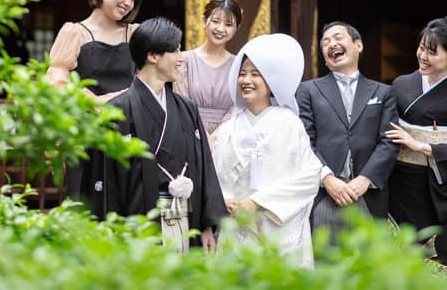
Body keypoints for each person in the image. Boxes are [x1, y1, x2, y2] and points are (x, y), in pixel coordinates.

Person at [107, 17, 226, 252]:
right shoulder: (118, 111)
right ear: (153, 56)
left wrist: (207, 226)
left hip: (185, 219)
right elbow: (109, 181)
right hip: (139, 226)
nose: (181, 58)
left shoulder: (186, 108)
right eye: (175, 50)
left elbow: (204, 168)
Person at [212, 34, 322, 267]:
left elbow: (310, 175)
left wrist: (259, 202)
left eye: (255, 73)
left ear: (271, 80)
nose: (246, 80)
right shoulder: (229, 127)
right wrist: (224, 200)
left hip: (276, 228)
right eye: (242, 73)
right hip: (236, 226)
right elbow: (214, 174)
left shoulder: (289, 123)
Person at [47, 0, 144, 219]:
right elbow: (57, 80)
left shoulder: (135, 34)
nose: (128, 2)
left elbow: (151, 76)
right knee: (86, 205)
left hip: (128, 129)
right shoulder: (75, 32)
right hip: (88, 131)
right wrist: (95, 101)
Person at [296, 21, 399, 238]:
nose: (331, 44)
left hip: (368, 193)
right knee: (325, 262)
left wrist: (365, 179)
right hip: (325, 193)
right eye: (325, 42)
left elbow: (389, 142)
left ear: (358, 45)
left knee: (369, 265)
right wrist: (327, 178)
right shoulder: (308, 90)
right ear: (323, 56)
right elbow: (303, 140)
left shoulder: (383, 92)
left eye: (337, 38)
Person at [386, 16, 447, 264]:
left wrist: (424, 146)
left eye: (431, 52)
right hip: (404, 180)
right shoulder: (402, 85)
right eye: (421, 48)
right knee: (406, 250)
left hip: (441, 180)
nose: (422, 56)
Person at [174, 0, 243, 138]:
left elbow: (238, 107)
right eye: (216, 21)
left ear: (236, 29)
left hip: (226, 138)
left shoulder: (238, 65)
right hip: (190, 136)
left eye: (228, 24)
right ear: (205, 21)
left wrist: (216, 138)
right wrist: (204, 138)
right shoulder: (184, 60)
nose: (220, 28)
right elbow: (181, 103)